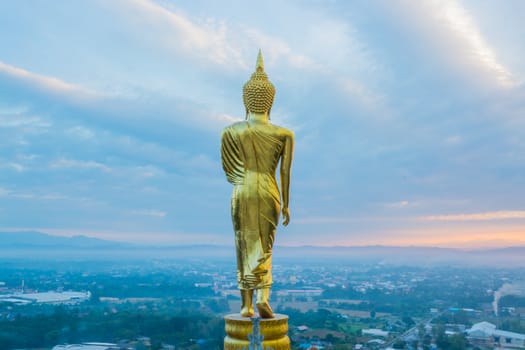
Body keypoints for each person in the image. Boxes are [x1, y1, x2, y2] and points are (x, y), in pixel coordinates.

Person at [221, 50, 294, 318]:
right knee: (265, 245)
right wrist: (286, 204)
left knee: (243, 243)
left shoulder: (231, 132)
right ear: (270, 102)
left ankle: (246, 305)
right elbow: (285, 172)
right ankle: (264, 295)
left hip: (241, 189)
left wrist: (242, 181)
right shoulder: (284, 134)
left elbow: (229, 169)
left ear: (246, 100)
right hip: (269, 188)